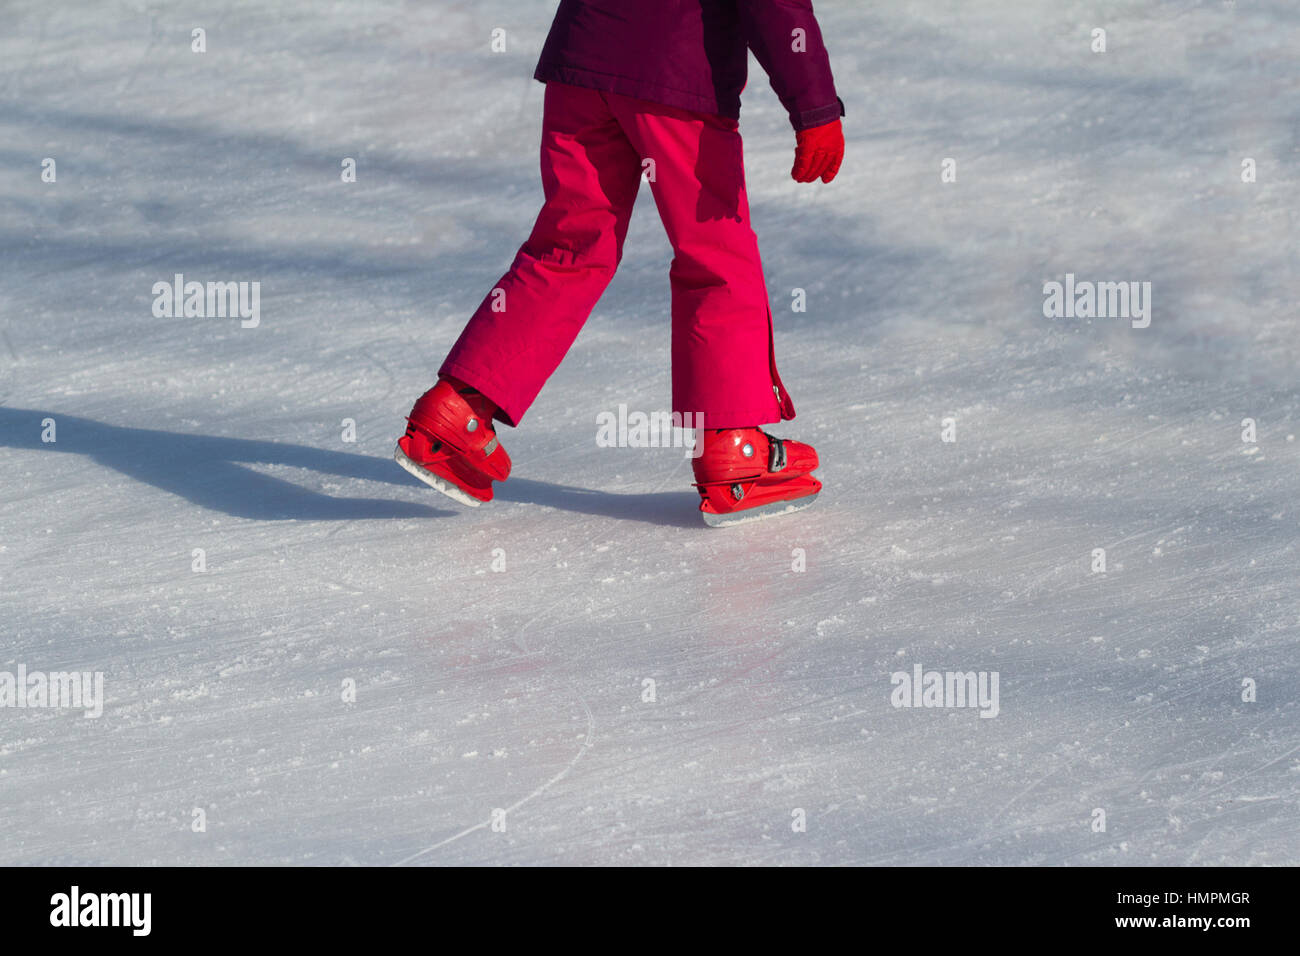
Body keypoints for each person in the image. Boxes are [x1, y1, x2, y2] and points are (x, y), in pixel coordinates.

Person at [395, 0, 844, 526]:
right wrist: (814, 107)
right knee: (717, 254)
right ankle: (734, 445)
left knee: (569, 249)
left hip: (584, 59)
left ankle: (460, 411)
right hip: (677, 74)